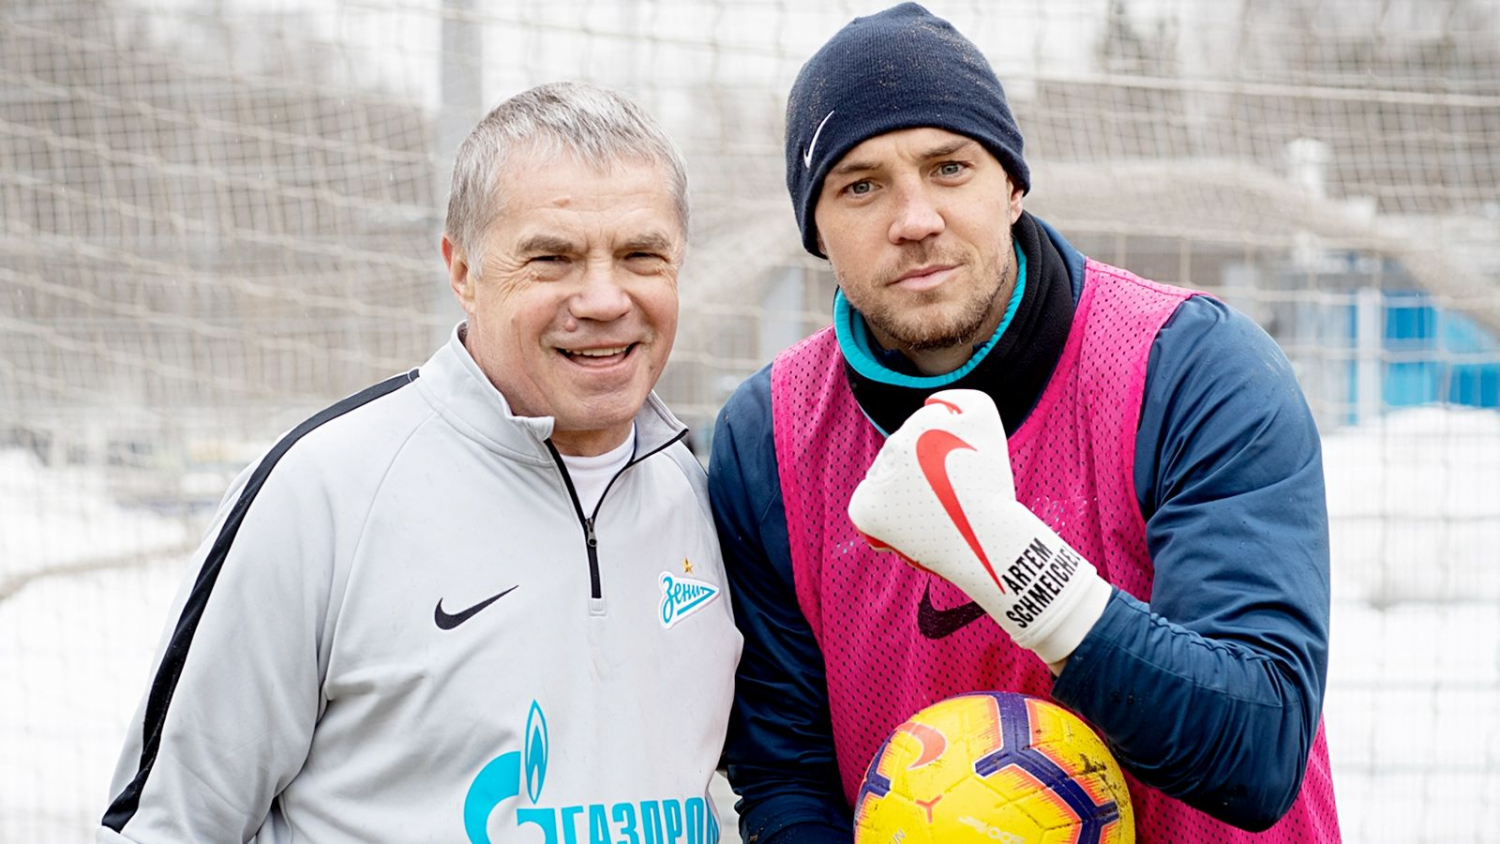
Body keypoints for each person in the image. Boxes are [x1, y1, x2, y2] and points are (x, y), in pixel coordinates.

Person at [708, 4, 1340, 842]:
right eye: (860, 185)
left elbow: (1259, 747)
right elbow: (787, 773)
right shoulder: (769, 438)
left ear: (1011, 185)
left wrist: (1006, 556)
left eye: (949, 167)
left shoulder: (1193, 368)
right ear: (815, 232)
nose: (915, 219)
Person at [100, 82, 742, 844]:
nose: (604, 299)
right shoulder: (322, 493)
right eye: (551, 258)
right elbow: (171, 824)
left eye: (641, 256)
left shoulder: (706, 496)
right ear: (462, 271)